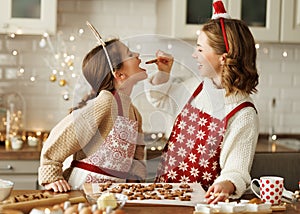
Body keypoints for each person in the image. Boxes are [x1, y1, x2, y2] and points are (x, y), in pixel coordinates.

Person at [144, 0, 259, 204]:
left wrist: (227, 184)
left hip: (201, 204)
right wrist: (163, 75)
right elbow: (161, 100)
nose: (193, 54)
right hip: (164, 194)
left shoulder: (243, 113)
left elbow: (237, 169)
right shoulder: (196, 86)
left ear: (223, 58)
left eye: (199, 49)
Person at [38, 23, 148, 192]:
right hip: (84, 188)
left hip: (116, 191)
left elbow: (138, 154)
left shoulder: (134, 112)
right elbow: (62, 136)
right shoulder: (106, 102)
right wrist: (50, 174)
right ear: (119, 74)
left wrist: (136, 180)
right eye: (130, 54)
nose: (138, 55)